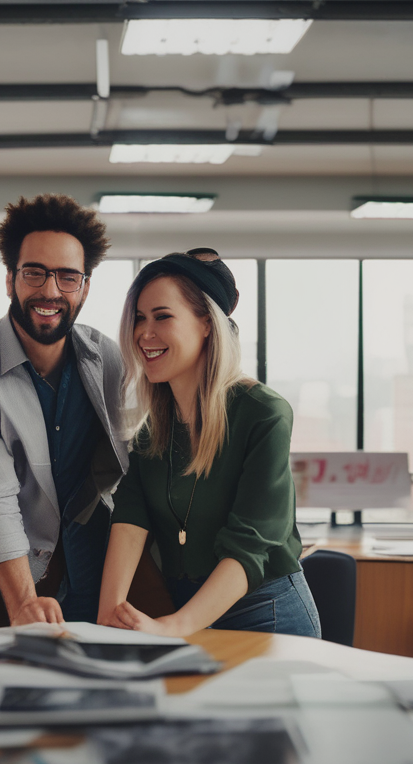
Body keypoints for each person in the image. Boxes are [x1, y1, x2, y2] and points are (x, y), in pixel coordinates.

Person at [98, 249, 321, 638]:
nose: (143, 333)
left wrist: (176, 626)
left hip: (263, 612)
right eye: (139, 318)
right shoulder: (155, 429)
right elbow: (131, 516)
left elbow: (250, 545)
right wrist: (109, 612)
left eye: (162, 316)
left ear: (206, 324)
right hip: (181, 611)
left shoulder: (263, 413)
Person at [0, 193, 130, 630]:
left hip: (95, 576)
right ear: (10, 280)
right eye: (34, 273)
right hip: (2, 583)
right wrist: (24, 601)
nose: (50, 291)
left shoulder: (108, 358)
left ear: (84, 287)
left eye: (67, 277)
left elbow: (133, 467)